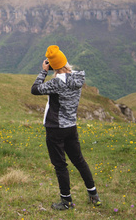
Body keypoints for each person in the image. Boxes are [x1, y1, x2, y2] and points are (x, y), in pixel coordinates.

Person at [31, 45, 102, 210]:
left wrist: (43, 72)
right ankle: (94, 196)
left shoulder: (56, 83)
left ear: (52, 65)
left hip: (55, 128)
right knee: (79, 160)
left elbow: (35, 89)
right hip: (71, 125)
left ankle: (66, 201)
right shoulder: (77, 78)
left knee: (60, 165)